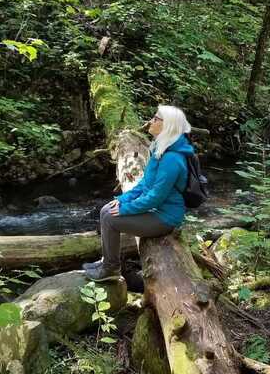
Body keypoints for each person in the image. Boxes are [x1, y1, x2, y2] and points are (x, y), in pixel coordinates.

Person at [83, 105, 194, 281]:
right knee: (106, 209)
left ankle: (111, 269)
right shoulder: (160, 148)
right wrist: (122, 200)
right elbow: (144, 184)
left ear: (168, 126)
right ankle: (106, 260)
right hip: (155, 210)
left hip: (165, 218)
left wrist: (126, 209)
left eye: (157, 118)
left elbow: (156, 198)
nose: (151, 121)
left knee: (111, 218)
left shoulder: (172, 159)